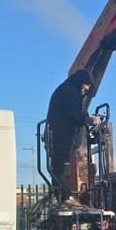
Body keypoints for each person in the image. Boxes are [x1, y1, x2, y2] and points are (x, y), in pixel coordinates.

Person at [46, 69, 100, 206]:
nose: (88, 89)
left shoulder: (66, 90)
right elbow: (74, 113)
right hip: (63, 136)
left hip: (61, 135)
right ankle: (64, 197)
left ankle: (62, 195)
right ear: (81, 82)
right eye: (87, 85)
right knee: (62, 167)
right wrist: (89, 120)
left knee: (60, 167)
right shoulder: (69, 92)